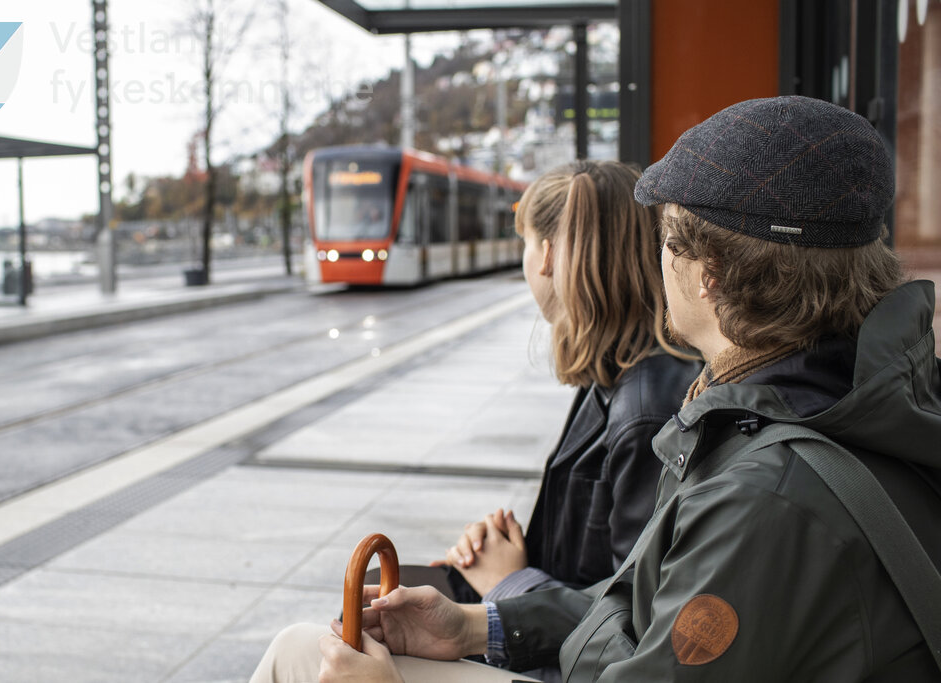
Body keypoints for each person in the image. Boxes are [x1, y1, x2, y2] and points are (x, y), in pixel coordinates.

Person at [252, 96, 941, 682]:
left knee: (298, 653)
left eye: (666, 240)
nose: (654, 263)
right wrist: (479, 625)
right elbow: (653, 609)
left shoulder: (764, 493)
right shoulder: (817, 404)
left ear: (709, 275)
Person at [409, 161, 698, 617]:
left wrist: (509, 583)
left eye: (523, 243)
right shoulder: (620, 376)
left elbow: (638, 619)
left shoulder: (643, 411)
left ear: (545, 255)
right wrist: (500, 558)